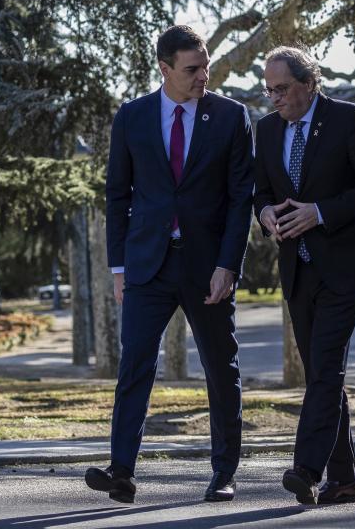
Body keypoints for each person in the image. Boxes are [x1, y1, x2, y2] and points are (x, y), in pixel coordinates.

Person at [86, 25, 254, 504]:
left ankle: (224, 472)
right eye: (192, 69)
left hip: (208, 269)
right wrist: (118, 267)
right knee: (134, 366)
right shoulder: (133, 117)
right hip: (147, 267)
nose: (204, 75)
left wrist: (229, 265)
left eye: (206, 66)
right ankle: (121, 471)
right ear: (165, 69)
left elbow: (241, 198)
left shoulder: (230, 117)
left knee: (221, 369)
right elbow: (117, 196)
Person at [253, 46, 355, 505]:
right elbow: (262, 192)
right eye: (268, 89)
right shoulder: (267, 130)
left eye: (283, 88)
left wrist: (320, 213)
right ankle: (344, 479)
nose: (274, 98)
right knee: (321, 375)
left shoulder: (350, 119)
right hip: (297, 270)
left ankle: (306, 469)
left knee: (326, 366)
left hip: (345, 266)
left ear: (309, 82)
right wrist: (266, 214)